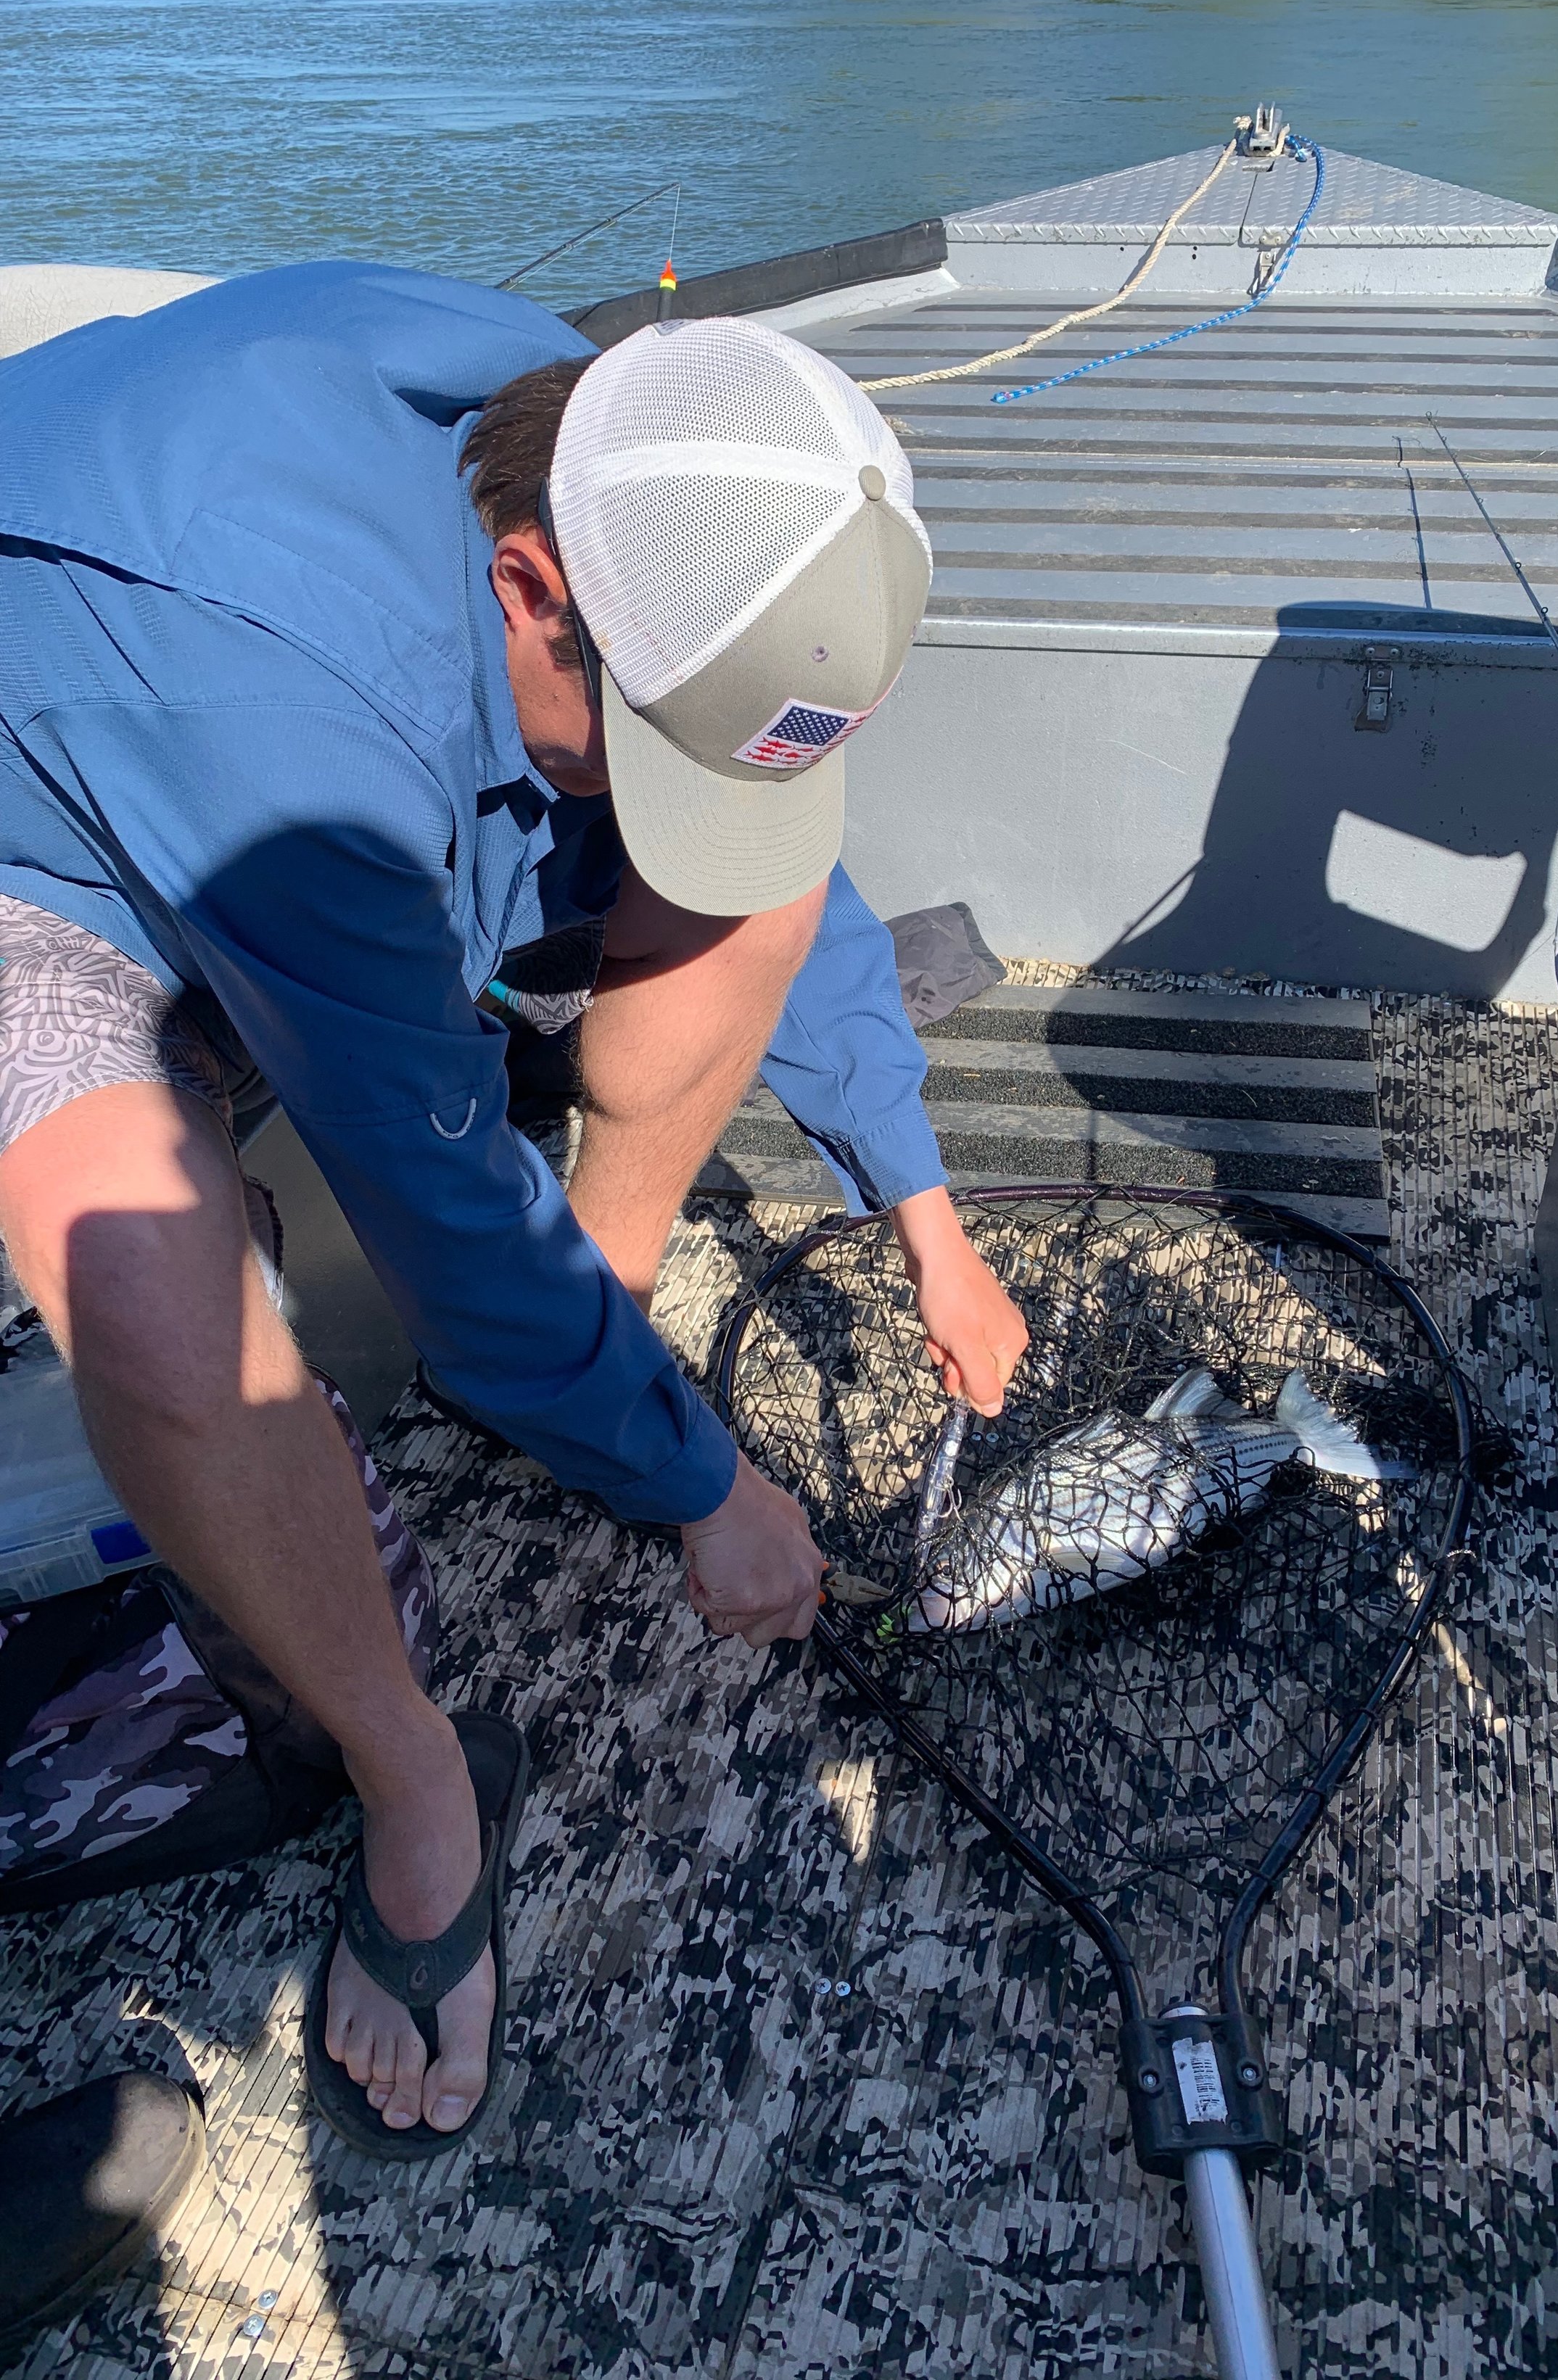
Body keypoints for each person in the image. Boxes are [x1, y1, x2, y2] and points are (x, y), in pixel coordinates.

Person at [0, 268, 1027, 2160]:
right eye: (636, 747)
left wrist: (924, 1212)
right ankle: (412, 1789)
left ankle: (592, 1317)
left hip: (353, 796)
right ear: (530, 588)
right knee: (147, 1276)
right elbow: (442, 1202)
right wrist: (700, 1486)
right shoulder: (279, 679)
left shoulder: (641, 464)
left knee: (750, 895)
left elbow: (793, 867)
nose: (656, 807)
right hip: (51, 844)